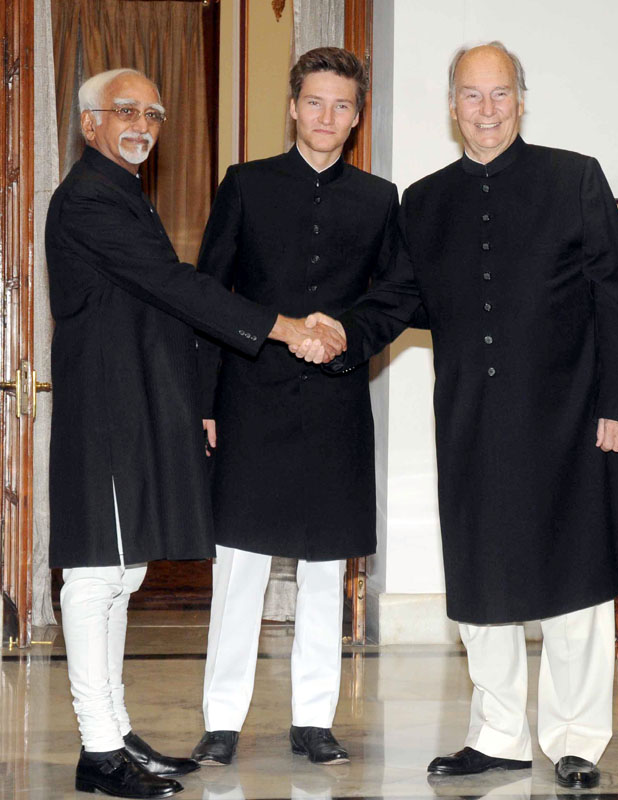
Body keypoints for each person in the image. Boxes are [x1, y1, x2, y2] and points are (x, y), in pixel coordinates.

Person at [303, 41, 618, 789]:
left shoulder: (573, 177)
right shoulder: (424, 201)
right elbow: (396, 299)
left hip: (571, 418)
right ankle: (497, 734)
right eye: (470, 95)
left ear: (520, 101)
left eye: (498, 95)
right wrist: (340, 333)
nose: (484, 110)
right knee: (481, 583)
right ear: (451, 105)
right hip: (472, 419)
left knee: (575, 587)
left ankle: (574, 738)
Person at [45, 68, 344, 799]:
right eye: (125, 111)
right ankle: (97, 751)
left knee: (123, 574)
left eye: (152, 111)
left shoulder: (122, 194)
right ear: (89, 125)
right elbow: (175, 285)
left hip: (136, 405)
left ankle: (115, 733)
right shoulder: (88, 198)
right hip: (106, 412)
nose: (141, 123)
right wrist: (278, 325)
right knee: (92, 580)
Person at [190, 48, 399, 767]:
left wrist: (346, 336)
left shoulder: (379, 198)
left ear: (356, 115)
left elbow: (393, 298)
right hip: (249, 401)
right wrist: (206, 399)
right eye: (315, 102)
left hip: (336, 404)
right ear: (292, 106)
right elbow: (210, 295)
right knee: (238, 566)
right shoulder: (244, 186)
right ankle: (221, 720)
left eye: (342, 106)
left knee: (322, 568)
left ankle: (314, 719)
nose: (327, 117)